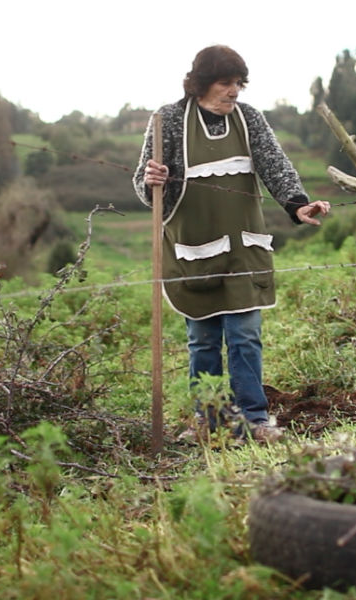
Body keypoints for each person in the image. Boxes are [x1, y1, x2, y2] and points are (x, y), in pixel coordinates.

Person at [133, 45, 330, 443]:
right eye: (226, 83)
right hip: (194, 252)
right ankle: (210, 423)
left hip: (244, 250)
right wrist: (152, 182)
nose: (234, 91)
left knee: (245, 336)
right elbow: (143, 185)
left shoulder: (249, 118)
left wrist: (297, 204)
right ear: (203, 83)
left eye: (239, 83)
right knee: (202, 341)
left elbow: (275, 164)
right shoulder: (168, 121)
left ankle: (255, 422)